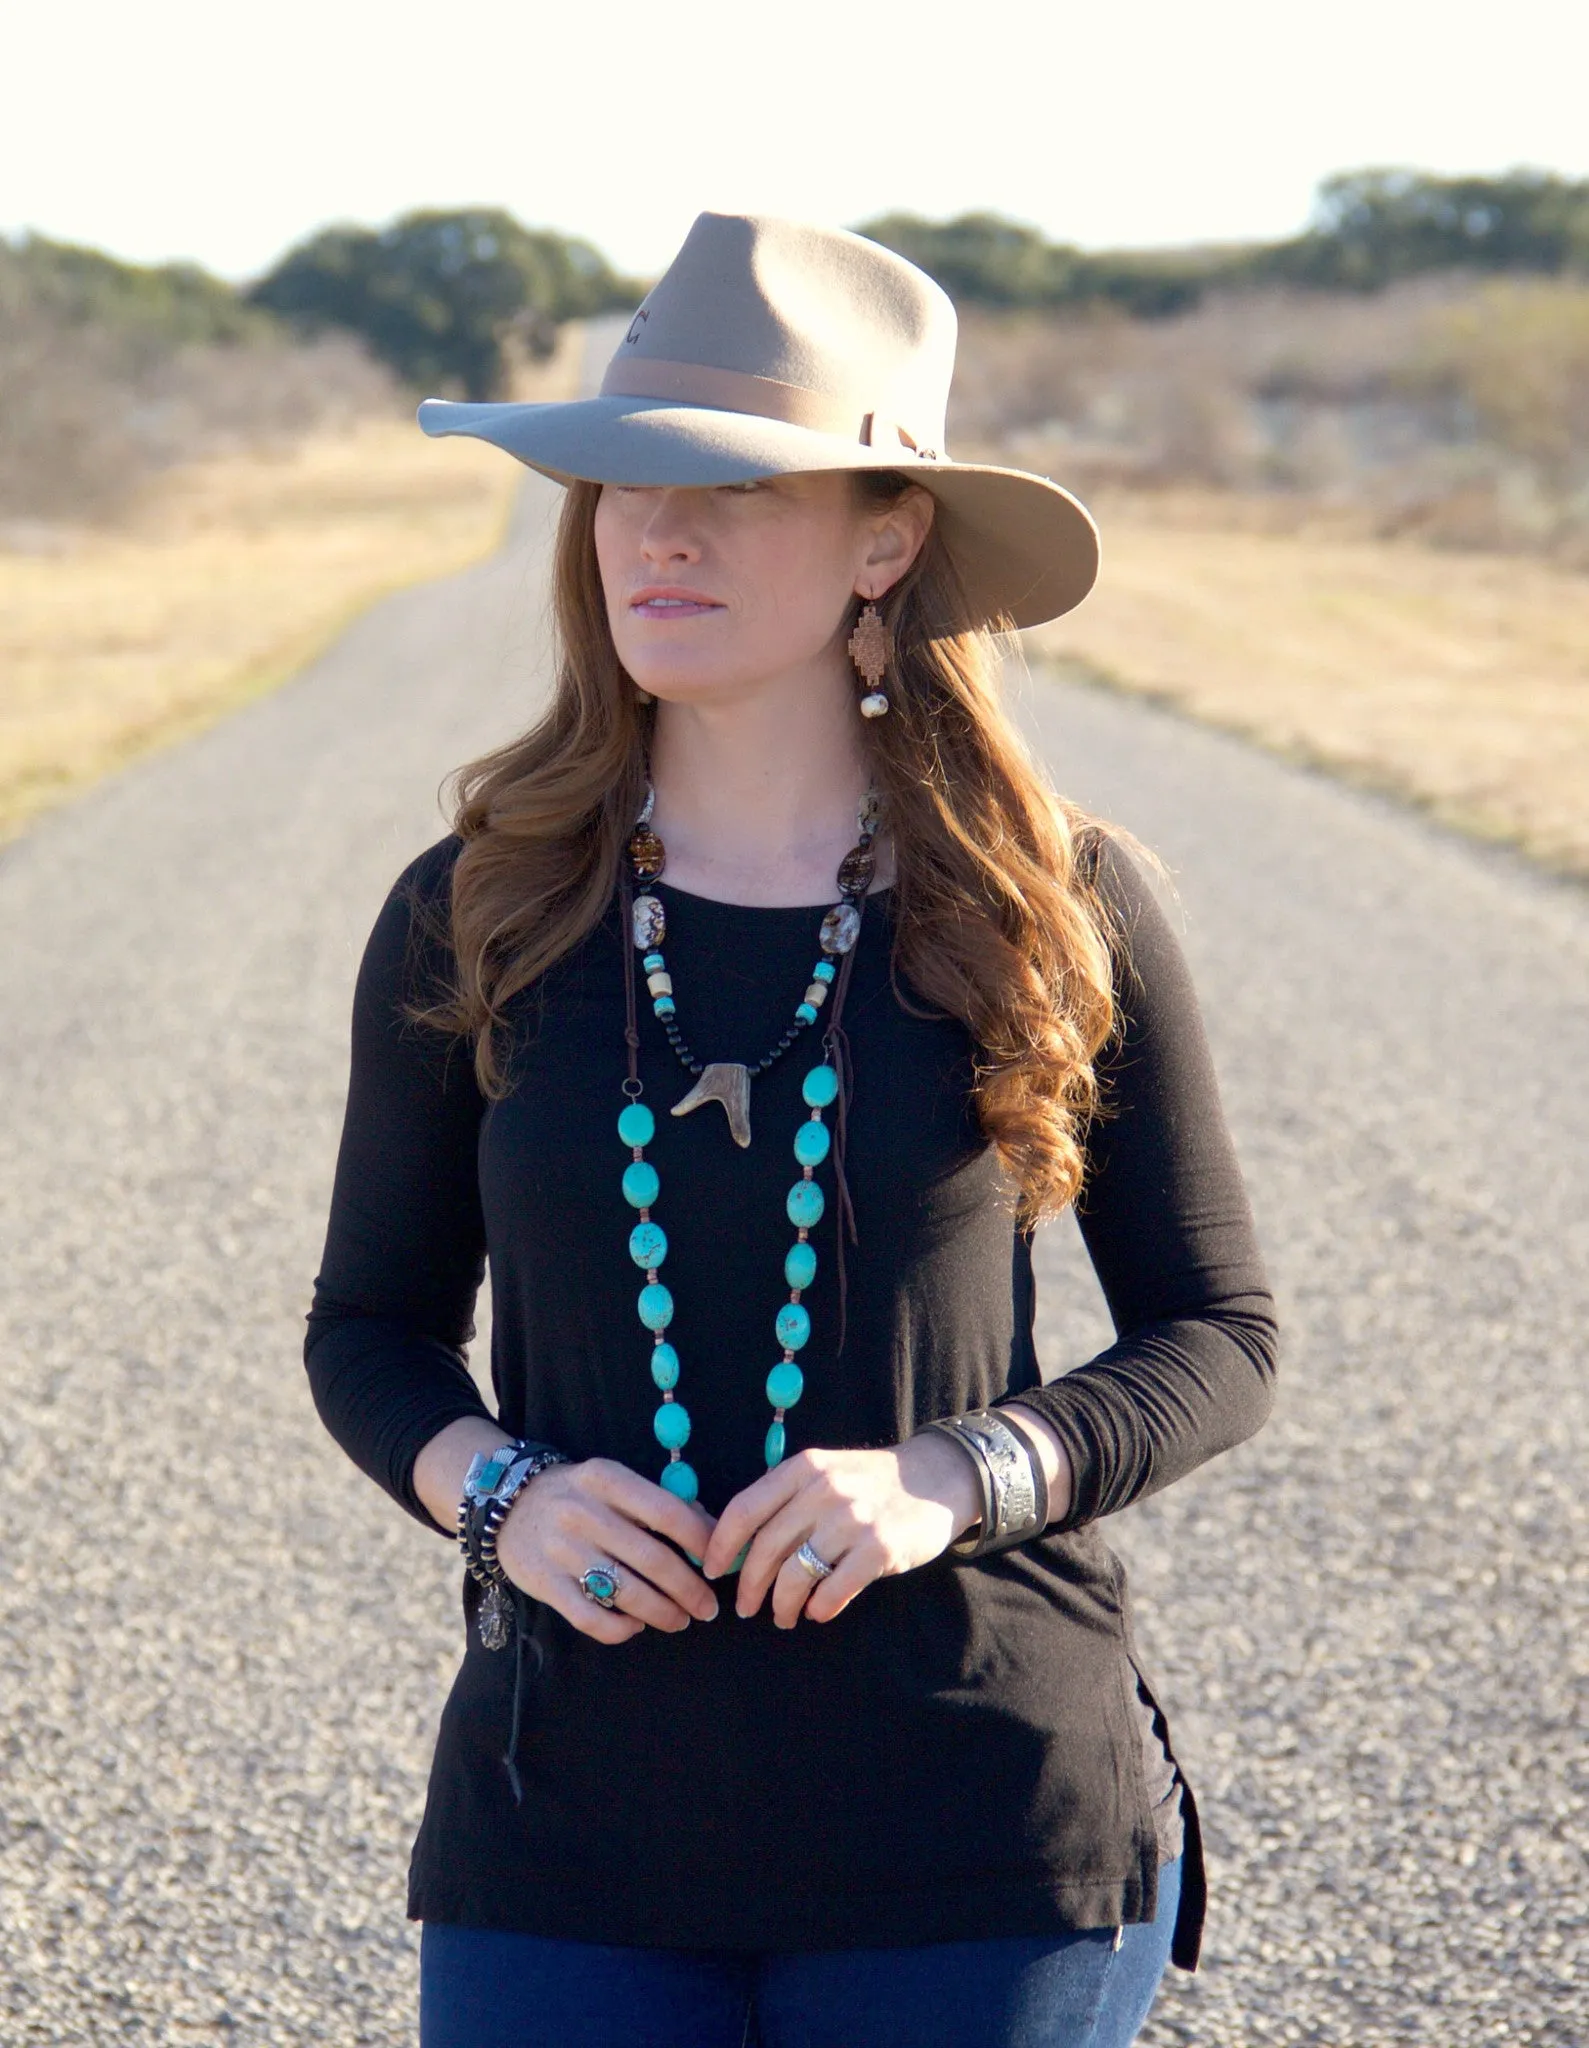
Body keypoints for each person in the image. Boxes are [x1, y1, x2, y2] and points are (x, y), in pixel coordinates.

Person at [305, 212, 1279, 2048]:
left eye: (736, 491)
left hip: (976, 1829)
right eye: (618, 486)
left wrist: (950, 1478)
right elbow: (367, 1333)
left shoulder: (1054, 902)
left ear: (886, 539)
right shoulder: (478, 906)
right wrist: (500, 1494)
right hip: (566, 1828)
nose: (656, 533)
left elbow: (1222, 1338)